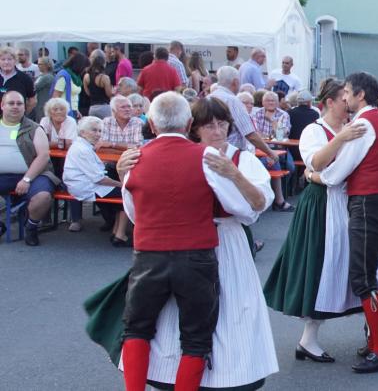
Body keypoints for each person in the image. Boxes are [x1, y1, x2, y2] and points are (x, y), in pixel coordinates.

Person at [86, 94, 277, 390]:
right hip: (197, 249)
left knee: (228, 313)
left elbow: (253, 208)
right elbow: (138, 211)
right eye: (209, 125)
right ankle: (169, 375)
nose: (217, 131)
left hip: (222, 242)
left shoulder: (240, 159)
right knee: (183, 326)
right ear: (192, 127)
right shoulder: (200, 158)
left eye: (222, 124)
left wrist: (234, 175)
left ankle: (231, 375)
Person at [264, 78, 378, 364]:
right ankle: (308, 339)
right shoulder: (314, 130)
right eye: (343, 98)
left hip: (349, 202)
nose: (348, 103)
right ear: (329, 102)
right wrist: (341, 139)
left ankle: (373, 332)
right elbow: (315, 163)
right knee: (320, 267)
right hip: (321, 204)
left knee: (363, 267)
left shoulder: (355, 126)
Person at [318, 72, 378, 373]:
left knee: (363, 278)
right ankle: (376, 343)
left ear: (360, 94)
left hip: (369, 203)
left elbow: (339, 170)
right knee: (367, 274)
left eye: (348, 91)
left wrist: (317, 175)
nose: (345, 97)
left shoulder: (364, 123)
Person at [0, 91, 58, 246]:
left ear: (24, 107)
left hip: (35, 174)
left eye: (19, 104)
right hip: (3, 175)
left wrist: (27, 179)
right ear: (2, 106)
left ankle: (31, 226)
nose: (15, 107)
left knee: (43, 197)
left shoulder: (34, 128)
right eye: (11, 103)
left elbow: (43, 156)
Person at [63, 116, 129, 241]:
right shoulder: (83, 149)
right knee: (128, 193)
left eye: (100, 131)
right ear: (82, 132)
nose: (98, 134)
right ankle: (120, 235)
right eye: (94, 130)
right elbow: (99, 179)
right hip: (85, 187)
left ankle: (116, 230)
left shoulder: (81, 145)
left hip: (84, 184)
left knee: (121, 190)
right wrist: (123, 185)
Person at [210, 66, 281, 172]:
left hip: (209, 154)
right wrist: (270, 153)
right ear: (235, 82)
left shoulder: (207, 99)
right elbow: (250, 134)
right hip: (231, 156)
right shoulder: (233, 101)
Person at [251, 91, 293, 211]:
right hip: (261, 148)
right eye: (268, 100)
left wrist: (273, 123)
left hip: (279, 147)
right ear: (263, 102)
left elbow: (283, 134)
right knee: (274, 162)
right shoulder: (257, 113)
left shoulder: (283, 114)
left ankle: (278, 196)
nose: (270, 103)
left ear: (278, 102)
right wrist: (271, 135)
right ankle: (279, 201)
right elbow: (255, 134)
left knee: (290, 168)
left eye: (273, 100)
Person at [1, 46, 37, 115]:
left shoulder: (25, 79)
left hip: (16, 119)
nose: (6, 62)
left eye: (9, 59)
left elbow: (33, 100)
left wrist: (22, 114)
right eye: (3, 59)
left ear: (15, 61)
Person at [84, 49, 114, 118]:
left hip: (92, 108)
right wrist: (113, 91)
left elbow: (88, 93)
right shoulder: (104, 78)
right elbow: (109, 94)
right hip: (104, 108)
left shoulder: (86, 76)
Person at [33, 56, 55, 122]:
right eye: (38, 64)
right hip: (39, 104)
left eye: (40, 64)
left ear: (47, 65)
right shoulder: (41, 76)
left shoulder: (47, 77)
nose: (38, 66)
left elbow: (35, 87)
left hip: (43, 104)